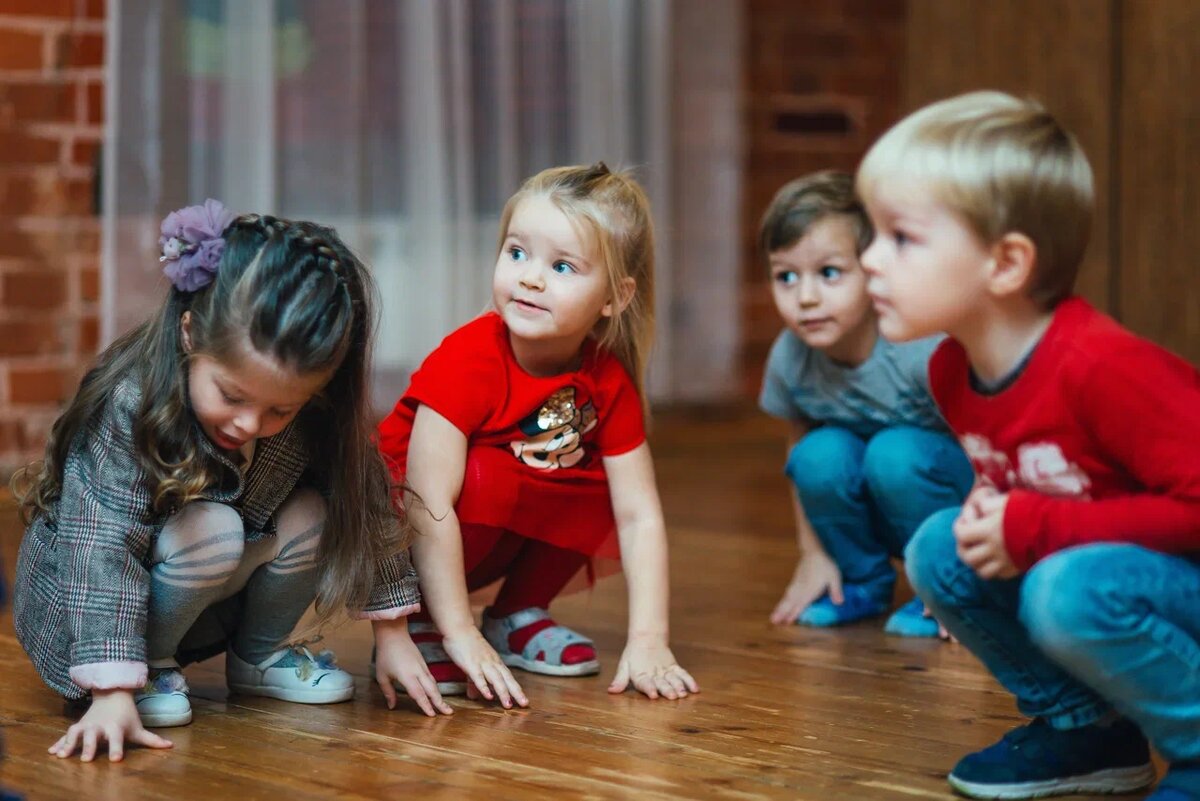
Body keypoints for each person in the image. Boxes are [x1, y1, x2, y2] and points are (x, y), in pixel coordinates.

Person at [13, 200, 449, 764]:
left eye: (279, 412)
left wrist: (393, 635)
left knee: (315, 511)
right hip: (86, 608)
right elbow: (100, 546)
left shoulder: (311, 409)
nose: (249, 424)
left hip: (208, 589)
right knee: (214, 526)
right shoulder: (129, 402)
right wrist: (112, 688)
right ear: (191, 333)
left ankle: (258, 658)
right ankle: (146, 671)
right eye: (232, 396)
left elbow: (363, 497)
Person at [858, 91, 1200, 800]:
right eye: (872, 234)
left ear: (1006, 263)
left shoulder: (1100, 366)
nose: (868, 260)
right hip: (1125, 571)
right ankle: (1088, 731)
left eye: (901, 237)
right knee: (938, 547)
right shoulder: (952, 370)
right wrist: (1000, 506)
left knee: (1063, 588)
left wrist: (1033, 525)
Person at [377, 163, 698, 707]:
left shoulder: (605, 378)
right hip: (401, 541)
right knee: (489, 474)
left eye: (563, 266)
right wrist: (457, 631)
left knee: (597, 474)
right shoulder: (468, 359)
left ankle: (517, 615)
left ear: (615, 298)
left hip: (484, 532)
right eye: (517, 252)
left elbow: (638, 515)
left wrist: (650, 642)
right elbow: (424, 504)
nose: (529, 277)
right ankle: (427, 622)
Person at [758, 170, 972, 637]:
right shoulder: (791, 357)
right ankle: (860, 581)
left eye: (829, 273)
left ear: (873, 271)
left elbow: (990, 454)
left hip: (957, 505)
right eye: (786, 276)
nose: (806, 298)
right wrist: (812, 554)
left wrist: (977, 574)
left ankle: (943, 585)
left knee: (894, 453)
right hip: (884, 503)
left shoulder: (921, 348)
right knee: (818, 454)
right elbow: (798, 454)